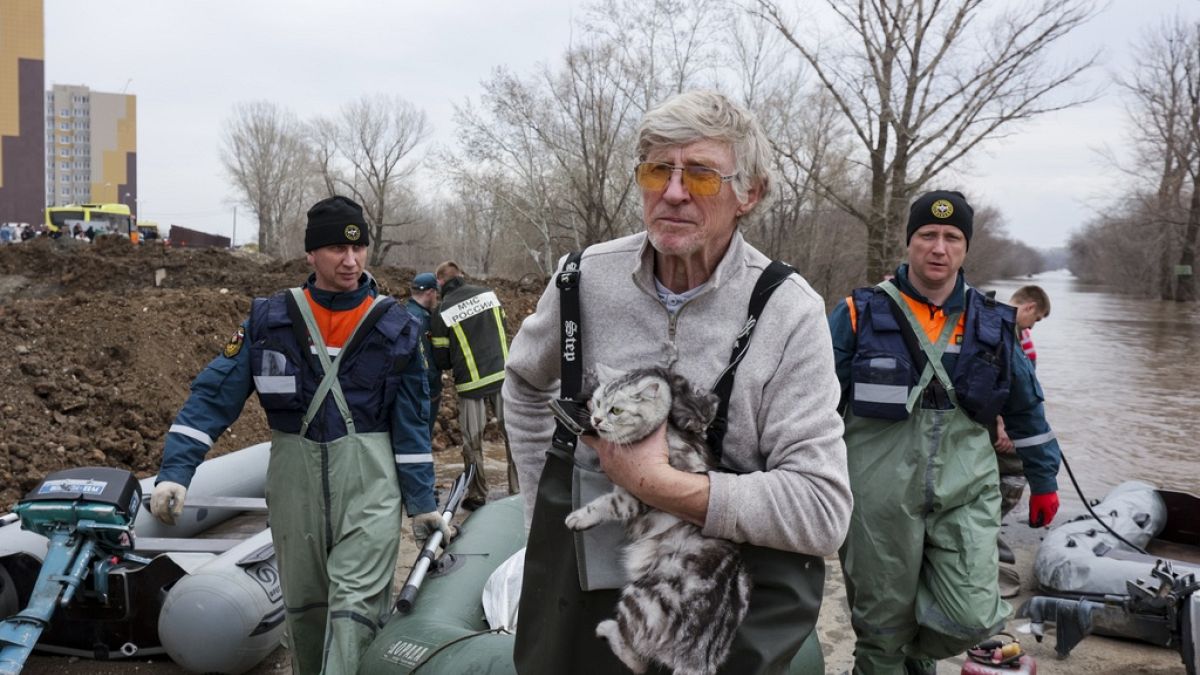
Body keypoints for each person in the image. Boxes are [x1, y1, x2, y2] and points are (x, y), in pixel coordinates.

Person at [505, 89, 852, 673]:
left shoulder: (789, 312)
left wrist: (662, 486)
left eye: (702, 175)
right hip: (585, 596)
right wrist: (543, 519)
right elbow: (523, 385)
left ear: (751, 193)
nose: (672, 192)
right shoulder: (584, 280)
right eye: (656, 170)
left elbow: (821, 510)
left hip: (718, 609)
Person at [149, 195, 448, 675]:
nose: (350, 261)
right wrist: (176, 472)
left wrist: (421, 503)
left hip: (370, 489)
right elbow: (213, 396)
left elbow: (413, 421)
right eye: (335, 249)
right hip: (294, 486)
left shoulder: (396, 327)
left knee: (354, 613)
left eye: (359, 248)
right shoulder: (271, 321)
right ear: (311, 254)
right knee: (306, 612)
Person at [829, 190, 1062, 674]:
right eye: (927, 235)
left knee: (970, 614)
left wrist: (1044, 480)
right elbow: (810, 405)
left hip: (966, 492)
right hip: (878, 500)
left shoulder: (994, 323)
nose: (939, 247)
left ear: (965, 248)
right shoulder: (857, 312)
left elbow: (1026, 409)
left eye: (952, 237)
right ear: (909, 242)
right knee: (882, 630)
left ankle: (911, 655)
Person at [429, 260, 514, 510]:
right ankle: (519, 489)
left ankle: (477, 495)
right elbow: (505, 326)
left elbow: (441, 358)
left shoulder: (443, 310)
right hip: (504, 376)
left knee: (472, 443)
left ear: (441, 283)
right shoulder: (489, 295)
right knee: (513, 437)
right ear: (461, 275)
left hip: (471, 384)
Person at [994, 285, 1052, 568]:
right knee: (1017, 470)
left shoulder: (1017, 335)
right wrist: (1001, 425)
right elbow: (999, 387)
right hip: (997, 424)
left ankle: (988, 528)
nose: (1034, 326)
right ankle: (986, 530)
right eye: (1037, 319)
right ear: (1029, 307)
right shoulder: (999, 330)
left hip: (1007, 420)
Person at [406, 271, 443, 439]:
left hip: (408, 390)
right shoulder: (420, 319)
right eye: (436, 293)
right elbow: (424, 359)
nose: (436, 298)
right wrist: (434, 390)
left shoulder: (406, 311)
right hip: (422, 393)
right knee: (421, 439)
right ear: (430, 293)